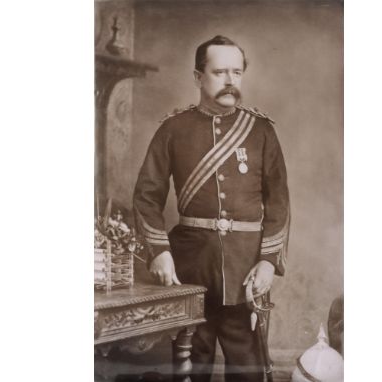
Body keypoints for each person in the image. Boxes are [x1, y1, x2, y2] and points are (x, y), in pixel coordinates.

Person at [133, 35, 290, 382]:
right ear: (198, 77)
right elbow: (146, 196)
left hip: (245, 270)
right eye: (220, 72)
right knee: (192, 365)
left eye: (237, 71)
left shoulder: (261, 131)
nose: (230, 80)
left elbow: (279, 202)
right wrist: (158, 251)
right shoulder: (173, 129)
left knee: (248, 370)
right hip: (190, 267)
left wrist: (268, 261)